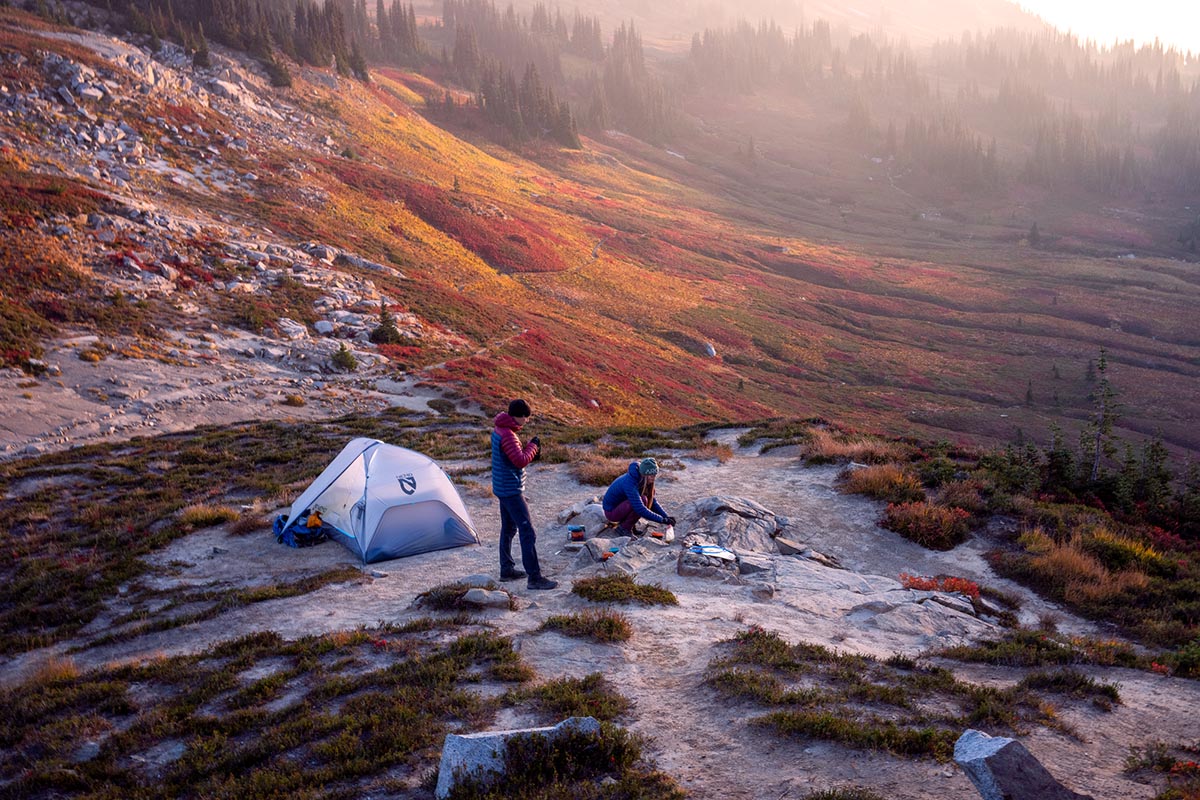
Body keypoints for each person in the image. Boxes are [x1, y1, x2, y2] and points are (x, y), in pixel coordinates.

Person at [491, 398, 557, 590]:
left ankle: (506, 569)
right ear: (518, 416)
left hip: (502, 487)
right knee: (527, 531)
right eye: (525, 417)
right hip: (511, 489)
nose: (527, 421)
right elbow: (520, 461)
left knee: (509, 528)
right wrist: (533, 446)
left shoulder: (499, 429)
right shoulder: (508, 435)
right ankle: (534, 577)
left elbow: (510, 458)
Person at [602, 457, 676, 536]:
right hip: (611, 512)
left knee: (643, 499)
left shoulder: (642, 479)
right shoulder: (630, 482)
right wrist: (662, 520)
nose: (653, 478)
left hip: (621, 507)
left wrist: (666, 517)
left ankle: (629, 526)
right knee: (642, 500)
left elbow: (653, 502)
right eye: (651, 476)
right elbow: (640, 508)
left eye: (655, 475)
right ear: (644, 474)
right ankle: (624, 528)